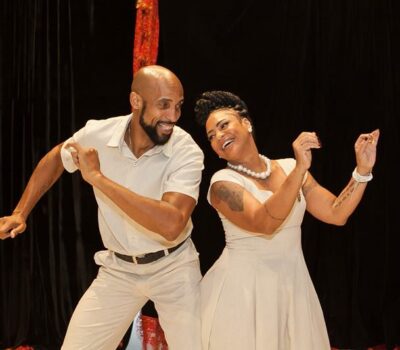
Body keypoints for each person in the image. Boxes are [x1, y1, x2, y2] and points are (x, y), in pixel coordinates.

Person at [0, 65, 204, 350]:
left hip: (174, 267)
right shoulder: (98, 133)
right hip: (119, 269)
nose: (173, 116)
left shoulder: (186, 151)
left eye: (178, 106)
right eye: (163, 105)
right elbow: (57, 157)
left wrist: (98, 179)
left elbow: (172, 224)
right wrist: (21, 211)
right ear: (135, 101)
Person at [194, 90, 379, 350]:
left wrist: (362, 171)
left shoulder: (291, 167)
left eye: (224, 125)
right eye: (211, 136)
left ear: (246, 123)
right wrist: (301, 169)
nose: (219, 136)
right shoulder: (222, 185)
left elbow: (336, 213)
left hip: (293, 286)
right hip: (243, 293)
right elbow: (265, 222)